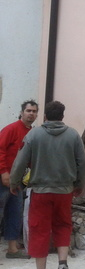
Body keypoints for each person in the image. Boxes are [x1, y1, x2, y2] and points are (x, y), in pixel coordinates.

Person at [10, 101, 85, 269]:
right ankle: (62, 265)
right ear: (62, 116)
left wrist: (14, 182)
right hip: (65, 191)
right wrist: (79, 184)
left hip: (41, 192)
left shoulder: (33, 135)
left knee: (39, 230)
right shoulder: (73, 135)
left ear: (45, 116)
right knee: (63, 225)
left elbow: (20, 162)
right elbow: (83, 163)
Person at [0, 100, 38, 259]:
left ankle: (12, 249)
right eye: (28, 110)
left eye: (34, 111)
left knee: (14, 212)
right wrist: (4, 172)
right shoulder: (11, 129)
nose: (31, 114)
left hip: (17, 181)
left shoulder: (32, 133)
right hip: (3, 178)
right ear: (22, 112)